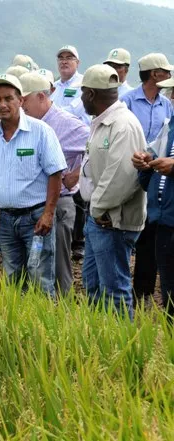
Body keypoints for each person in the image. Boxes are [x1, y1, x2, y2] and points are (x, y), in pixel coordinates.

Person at [0, 74, 67, 297]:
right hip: (7, 221)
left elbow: (56, 173)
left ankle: (44, 327)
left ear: (21, 100)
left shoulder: (40, 132)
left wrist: (48, 213)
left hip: (36, 220)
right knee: (13, 279)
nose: (2, 104)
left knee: (39, 276)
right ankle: (19, 327)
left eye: (8, 98)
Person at [79, 64, 147, 319]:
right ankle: (98, 340)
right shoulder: (103, 123)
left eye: (83, 92)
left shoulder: (123, 125)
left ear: (91, 95)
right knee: (93, 285)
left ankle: (121, 348)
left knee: (114, 290)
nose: (82, 98)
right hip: (98, 219)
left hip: (111, 221)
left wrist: (96, 209)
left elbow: (121, 178)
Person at [20, 72, 90, 294]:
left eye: (24, 100)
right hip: (31, 204)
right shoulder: (27, 124)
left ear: (41, 97)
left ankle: (62, 312)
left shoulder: (66, 123)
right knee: (35, 263)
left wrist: (77, 173)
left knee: (58, 263)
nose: (21, 106)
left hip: (58, 203)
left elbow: (98, 147)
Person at [121, 53, 174, 305]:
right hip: (156, 197)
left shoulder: (166, 108)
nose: (172, 97)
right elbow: (156, 150)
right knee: (150, 242)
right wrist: (145, 160)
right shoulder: (128, 102)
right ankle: (144, 294)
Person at [134, 117, 174, 319]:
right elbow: (154, 157)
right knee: (170, 293)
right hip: (164, 221)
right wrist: (144, 162)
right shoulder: (170, 126)